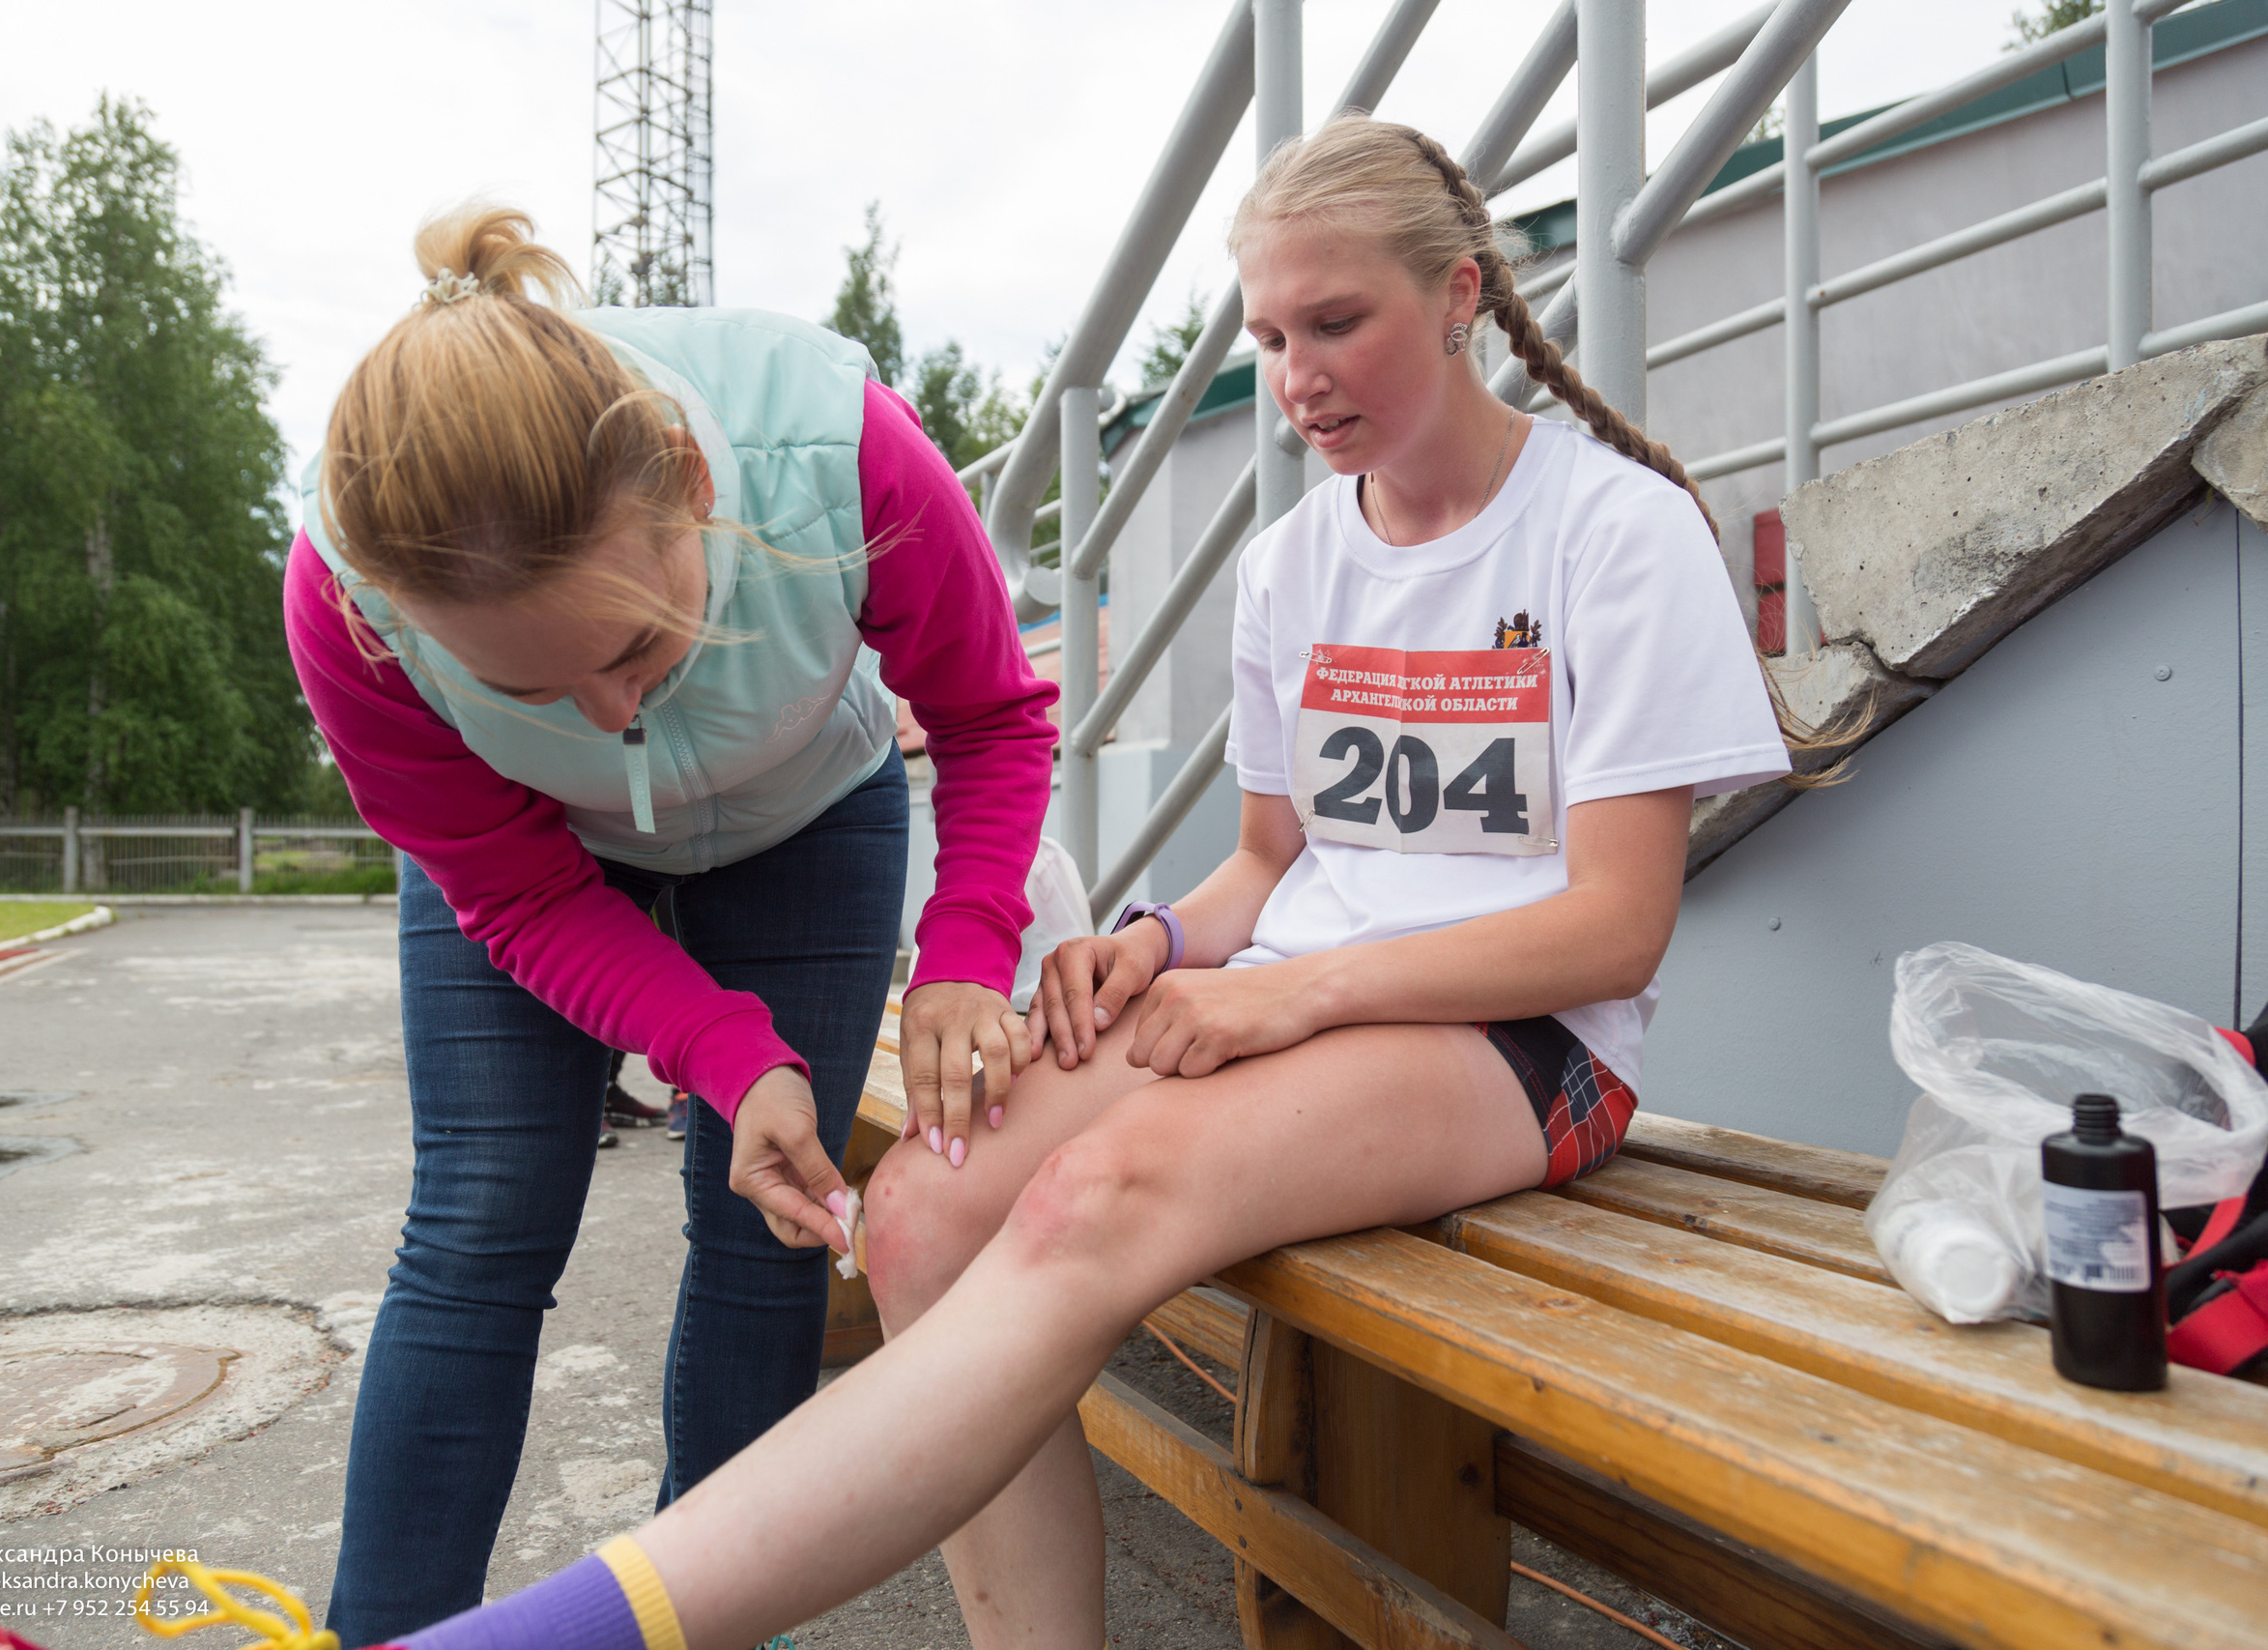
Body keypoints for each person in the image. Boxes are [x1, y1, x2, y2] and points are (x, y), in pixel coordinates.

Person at [302, 113, 1807, 1650]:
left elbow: (1614, 931)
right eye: (1271, 334)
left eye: (1336, 322)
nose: (1297, 377)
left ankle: (550, 1636)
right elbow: (1276, 866)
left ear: (1464, 293)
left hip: (1527, 1046)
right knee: (915, 1211)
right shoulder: (1294, 561)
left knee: (1101, 1192)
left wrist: (1288, 993)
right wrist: (1159, 943)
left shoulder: (1617, 533)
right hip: (1300, 1006)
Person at [284, 208, 1056, 1646]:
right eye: (531, 687)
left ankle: (710, 1623)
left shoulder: (845, 453)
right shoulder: (351, 609)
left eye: (637, 642)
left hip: (808, 811)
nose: (614, 717)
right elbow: (511, 892)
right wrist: (713, 1041)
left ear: (698, 485)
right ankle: (383, 1631)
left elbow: (994, 718)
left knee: (767, 1225)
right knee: (482, 1220)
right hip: (528, 866)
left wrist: (963, 953)